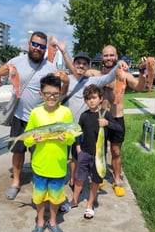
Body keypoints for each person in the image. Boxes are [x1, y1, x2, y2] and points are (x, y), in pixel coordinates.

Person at [0, 31, 69, 200]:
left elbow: (59, 94)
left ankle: (37, 178)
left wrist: (66, 82)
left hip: (41, 119)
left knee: (38, 150)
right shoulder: (15, 63)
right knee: (18, 151)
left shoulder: (50, 68)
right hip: (19, 116)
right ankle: (16, 182)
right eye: (35, 44)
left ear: (44, 49)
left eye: (41, 46)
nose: (37, 48)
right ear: (29, 44)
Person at [56, 46, 126, 192]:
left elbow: (108, 77)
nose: (81, 66)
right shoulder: (65, 79)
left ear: (88, 67)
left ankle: (73, 179)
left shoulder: (91, 81)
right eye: (78, 63)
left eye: (84, 64)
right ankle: (55, 178)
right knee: (61, 154)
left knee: (76, 156)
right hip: (64, 126)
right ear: (73, 64)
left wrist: (118, 65)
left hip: (79, 128)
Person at [85, 45, 146, 197]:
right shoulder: (95, 73)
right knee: (98, 150)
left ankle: (117, 179)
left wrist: (143, 72)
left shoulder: (123, 74)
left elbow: (139, 87)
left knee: (116, 151)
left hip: (117, 118)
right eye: (106, 55)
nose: (109, 58)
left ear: (117, 56)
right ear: (101, 57)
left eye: (112, 55)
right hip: (99, 117)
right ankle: (99, 175)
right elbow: (77, 72)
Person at [23, 74, 75, 232]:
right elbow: (27, 137)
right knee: (39, 196)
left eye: (55, 94)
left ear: (60, 93)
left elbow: (72, 137)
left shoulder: (66, 112)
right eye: (47, 93)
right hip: (40, 164)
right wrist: (33, 140)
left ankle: (53, 222)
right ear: (41, 94)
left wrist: (65, 138)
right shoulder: (35, 113)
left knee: (55, 197)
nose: (51, 97)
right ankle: (39, 222)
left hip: (58, 166)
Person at [64, 84, 123, 219]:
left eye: (94, 98)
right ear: (85, 101)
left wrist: (107, 124)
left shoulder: (105, 114)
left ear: (101, 99)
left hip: (99, 156)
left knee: (95, 180)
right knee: (79, 178)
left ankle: (90, 204)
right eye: (88, 98)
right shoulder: (84, 116)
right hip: (84, 153)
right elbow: (78, 133)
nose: (91, 101)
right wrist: (78, 148)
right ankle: (74, 201)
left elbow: (119, 128)